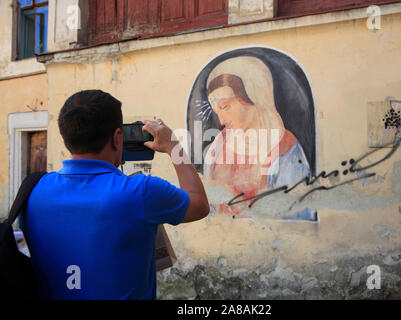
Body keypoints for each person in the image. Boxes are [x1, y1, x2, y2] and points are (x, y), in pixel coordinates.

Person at [21, 90, 209, 300]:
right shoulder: (141, 192)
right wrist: (173, 145)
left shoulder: (32, 191)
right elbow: (199, 204)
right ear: (117, 137)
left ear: (66, 138)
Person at [203, 57, 310, 212]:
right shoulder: (217, 148)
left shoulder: (284, 149)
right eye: (216, 112)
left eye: (225, 107)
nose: (221, 121)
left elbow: (295, 215)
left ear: (253, 96)